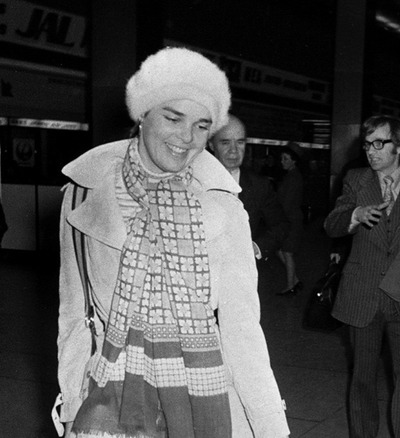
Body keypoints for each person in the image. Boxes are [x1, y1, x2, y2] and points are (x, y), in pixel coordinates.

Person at [56, 47, 289, 437]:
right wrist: (71, 407)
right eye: (173, 117)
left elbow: (242, 328)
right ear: (142, 114)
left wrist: (270, 425)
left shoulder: (223, 204)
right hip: (110, 398)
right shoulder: (83, 195)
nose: (188, 138)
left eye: (202, 125)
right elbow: (74, 316)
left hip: (207, 398)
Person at [324, 115, 400, 438]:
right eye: (367, 144)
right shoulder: (356, 180)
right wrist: (354, 215)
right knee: (363, 377)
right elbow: (331, 224)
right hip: (362, 294)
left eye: (379, 143)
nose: (371, 151)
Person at [209, 114, 290, 261]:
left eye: (240, 142)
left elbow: (281, 225)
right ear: (211, 144)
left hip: (243, 272)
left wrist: (256, 247)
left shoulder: (260, 185)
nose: (234, 150)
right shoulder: (194, 182)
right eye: (225, 142)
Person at [275, 142, 305, 295]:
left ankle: (290, 285)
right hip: (291, 219)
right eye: (282, 159)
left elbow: (286, 203)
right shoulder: (292, 176)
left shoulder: (293, 178)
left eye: (286, 159)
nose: (282, 162)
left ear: (294, 161)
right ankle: (295, 281)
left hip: (290, 220)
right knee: (282, 251)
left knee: (287, 252)